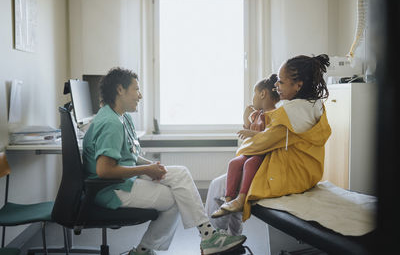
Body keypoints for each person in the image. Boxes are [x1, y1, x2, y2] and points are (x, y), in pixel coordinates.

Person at [82, 67, 246, 255]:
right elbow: (104, 170)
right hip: (110, 189)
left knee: (181, 173)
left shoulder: (122, 117)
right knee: (175, 198)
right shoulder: (111, 123)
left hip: (123, 182)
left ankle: (207, 237)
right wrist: (146, 169)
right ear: (120, 90)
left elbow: (129, 156)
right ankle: (199, 239)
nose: (140, 95)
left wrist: (151, 167)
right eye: (136, 89)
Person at [206, 54, 332, 225]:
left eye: (280, 81)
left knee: (217, 186)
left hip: (290, 175)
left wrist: (243, 148)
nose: (276, 85)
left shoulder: (289, 112)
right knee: (232, 175)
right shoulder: (315, 105)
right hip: (309, 172)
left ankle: (221, 237)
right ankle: (229, 232)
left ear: (298, 85)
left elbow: (261, 143)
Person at [211, 74, 280, 218]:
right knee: (234, 162)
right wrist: (246, 116)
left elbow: (271, 136)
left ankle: (241, 198)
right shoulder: (257, 115)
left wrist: (251, 133)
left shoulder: (275, 114)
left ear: (262, 93)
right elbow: (249, 129)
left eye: (254, 94)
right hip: (252, 150)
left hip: (263, 154)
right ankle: (229, 200)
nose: (253, 98)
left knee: (250, 163)